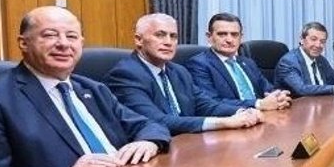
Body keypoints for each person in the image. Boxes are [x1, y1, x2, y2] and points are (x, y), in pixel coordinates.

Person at [0, 6, 171, 167]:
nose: (64, 44)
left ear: (81, 44)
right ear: (23, 43)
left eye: (72, 36)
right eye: (50, 35)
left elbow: (148, 125)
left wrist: (149, 141)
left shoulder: (93, 89)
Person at [105, 13, 263, 135]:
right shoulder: (125, 74)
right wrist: (225, 122)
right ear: (139, 40)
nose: (168, 42)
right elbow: (156, 121)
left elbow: (205, 104)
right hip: (154, 151)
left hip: (188, 143)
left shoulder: (178, 71)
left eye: (173, 36)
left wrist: (242, 112)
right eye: (160, 35)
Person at [185, 12, 291, 110]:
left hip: (263, 117)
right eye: (222, 34)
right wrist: (258, 104)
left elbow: (268, 89)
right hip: (231, 120)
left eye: (234, 34)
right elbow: (211, 103)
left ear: (241, 38)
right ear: (209, 37)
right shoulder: (199, 64)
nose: (229, 40)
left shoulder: (248, 63)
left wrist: (279, 96)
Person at [274, 21, 334, 96]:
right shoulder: (288, 62)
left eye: (322, 41)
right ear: (302, 40)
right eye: (313, 39)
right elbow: (302, 89)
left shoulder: (320, 59)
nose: (318, 45)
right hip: (298, 109)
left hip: (322, 105)